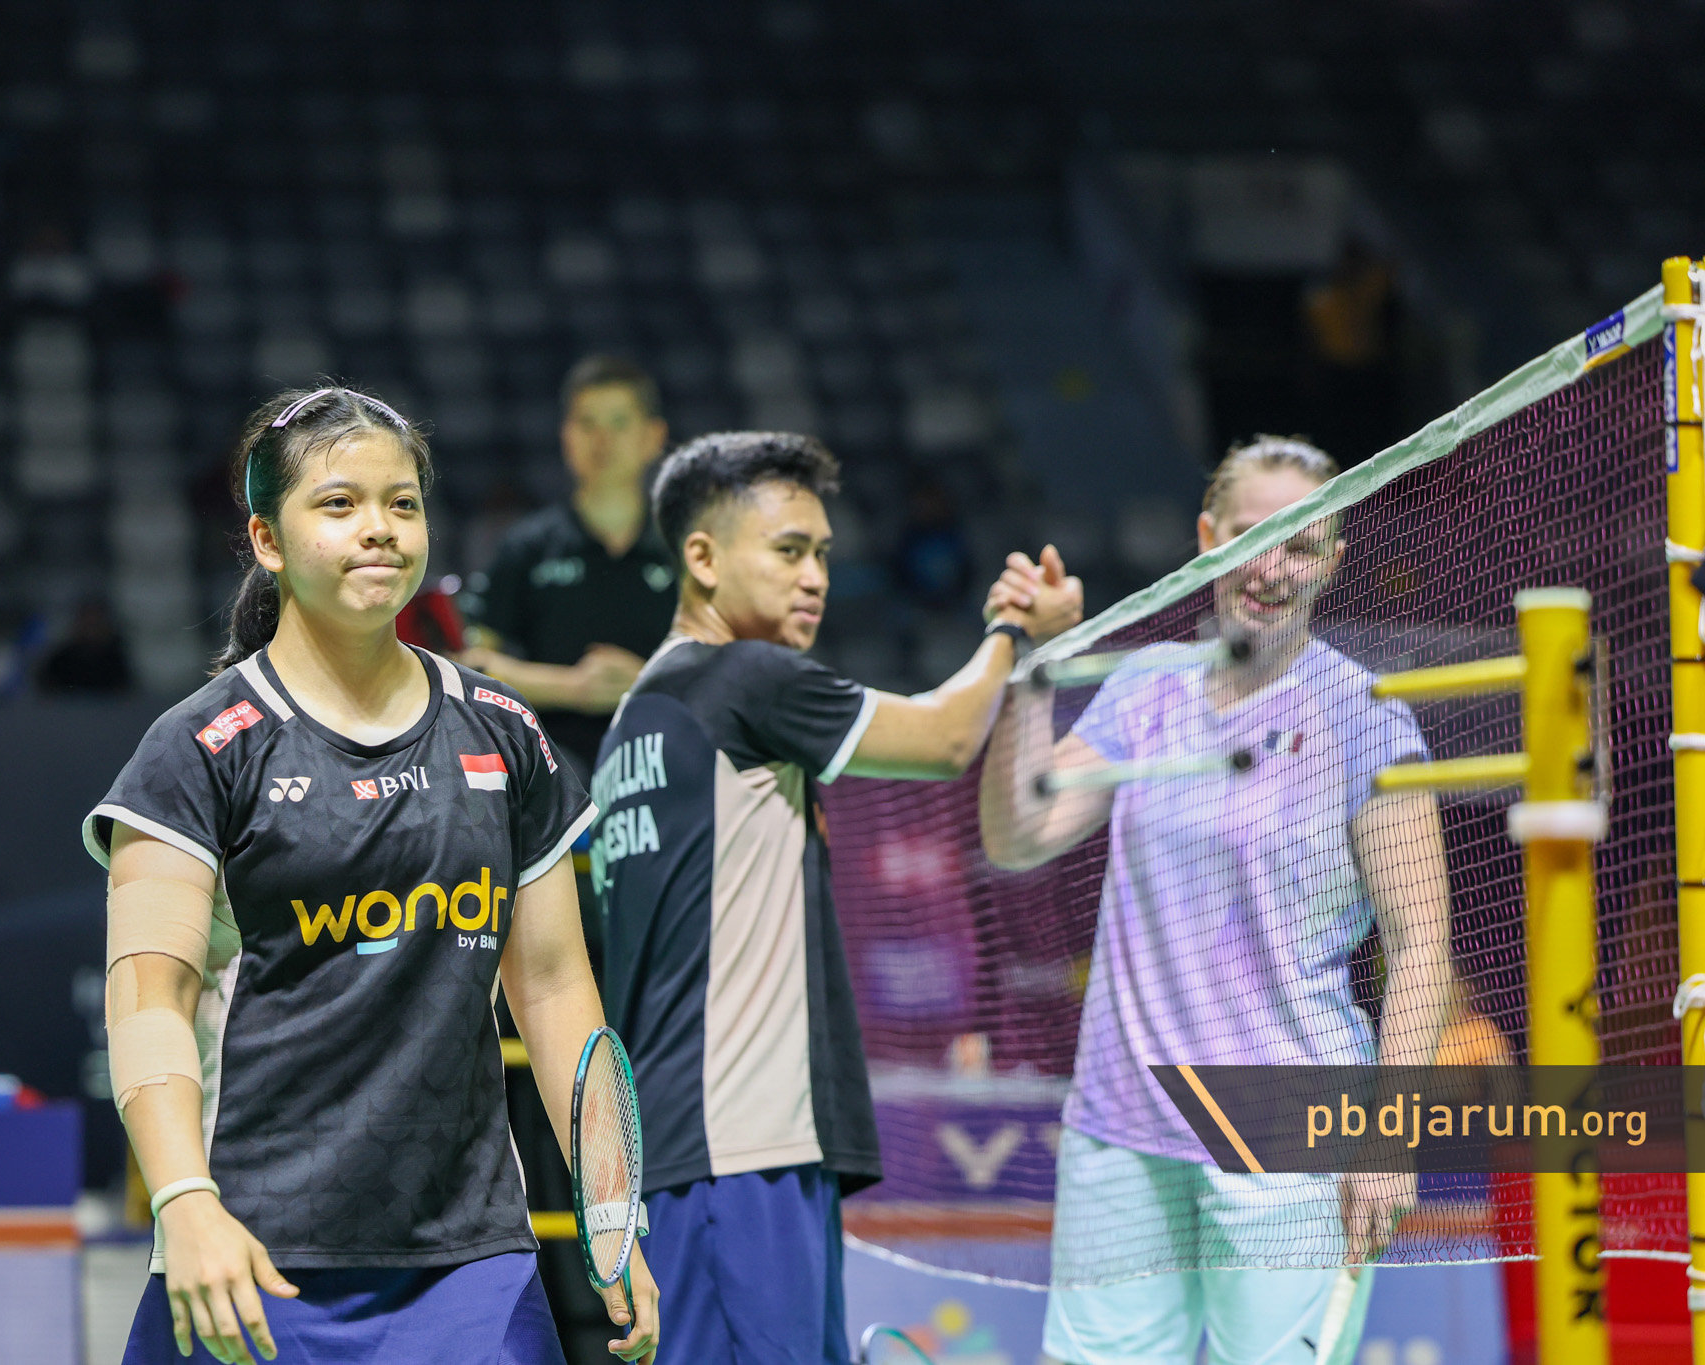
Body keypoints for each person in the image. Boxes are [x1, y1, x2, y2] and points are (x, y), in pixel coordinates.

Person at [82, 384, 657, 1365]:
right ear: (267, 540)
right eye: (339, 504)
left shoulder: (504, 733)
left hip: (469, 1264)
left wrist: (612, 1212)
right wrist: (183, 1202)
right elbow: (146, 1000)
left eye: (402, 503)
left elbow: (558, 990)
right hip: (252, 1252)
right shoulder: (198, 749)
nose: (380, 528)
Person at [592, 431, 1077, 1365]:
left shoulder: (637, 718)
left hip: (691, 1152)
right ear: (703, 557)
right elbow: (944, 739)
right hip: (740, 1151)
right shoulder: (743, 678)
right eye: (787, 551)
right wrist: (1013, 631)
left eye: (820, 552)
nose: (815, 576)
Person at [977, 436, 1453, 1365]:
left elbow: (1420, 944)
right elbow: (1018, 835)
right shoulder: (1145, 687)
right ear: (1206, 538)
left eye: (1301, 545)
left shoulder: (1366, 716)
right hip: (1122, 1123)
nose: (1271, 568)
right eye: (1250, 537)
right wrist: (1037, 664)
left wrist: (1391, 1140)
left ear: (1333, 561)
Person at [464, 355, 677, 778]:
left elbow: (728, 668)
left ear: (654, 437)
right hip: (554, 770)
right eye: (587, 423)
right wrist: (573, 688)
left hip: (671, 763)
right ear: (567, 437)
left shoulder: (688, 550)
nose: (602, 440)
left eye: (619, 423)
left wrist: (647, 681)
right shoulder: (528, 547)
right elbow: (470, 663)